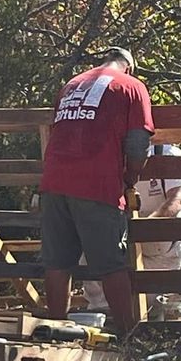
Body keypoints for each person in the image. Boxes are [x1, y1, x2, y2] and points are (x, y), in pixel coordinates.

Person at [39, 47, 154, 333]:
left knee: (57, 262)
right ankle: (128, 333)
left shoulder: (71, 85)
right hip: (97, 180)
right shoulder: (132, 87)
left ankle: (55, 332)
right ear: (129, 67)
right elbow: (138, 143)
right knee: (111, 263)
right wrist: (129, 178)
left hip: (54, 181)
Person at [82, 143, 181, 320]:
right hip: (124, 238)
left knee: (147, 307)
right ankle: (106, 319)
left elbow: (177, 201)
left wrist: (145, 226)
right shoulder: (111, 153)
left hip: (161, 248)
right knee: (90, 254)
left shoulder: (167, 153)